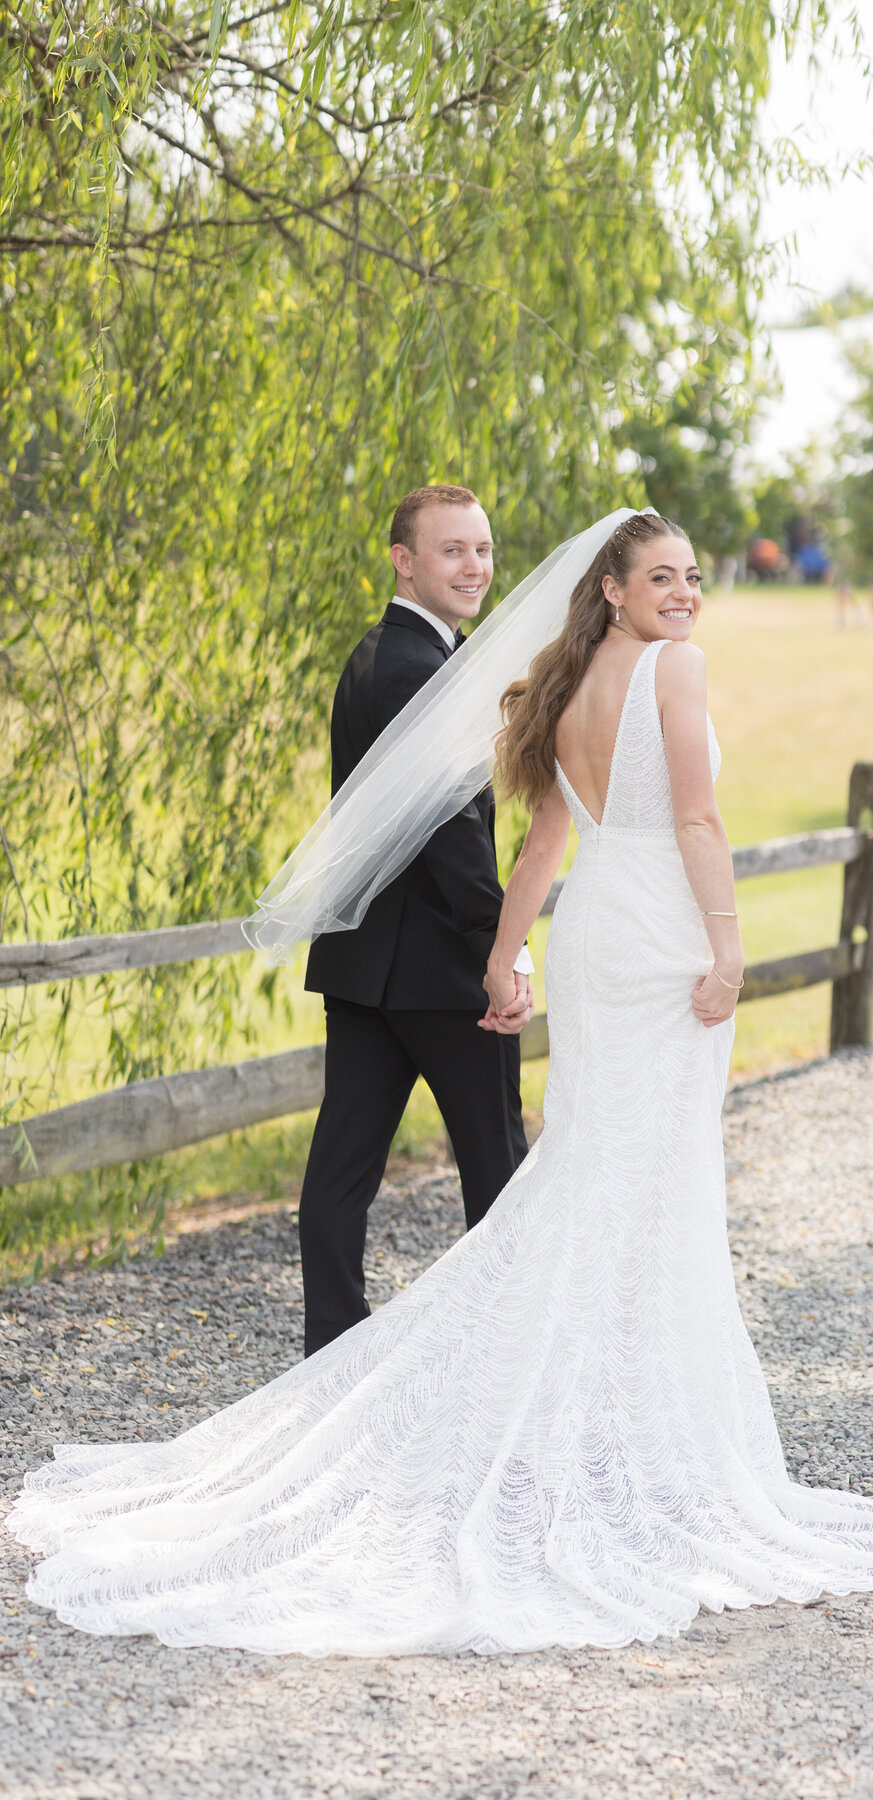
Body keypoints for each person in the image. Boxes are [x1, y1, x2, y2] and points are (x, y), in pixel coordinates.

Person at [8, 511, 873, 1657]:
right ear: (611, 588)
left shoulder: (567, 679)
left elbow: (551, 832)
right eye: (663, 576)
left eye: (695, 577)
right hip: (655, 935)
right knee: (644, 1174)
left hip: (601, 934)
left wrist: (511, 948)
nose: (687, 594)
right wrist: (730, 945)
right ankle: (616, 1429)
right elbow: (696, 816)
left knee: (589, 1166)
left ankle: (597, 1408)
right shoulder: (672, 668)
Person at [298, 484, 533, 1356]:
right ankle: (502, 1360)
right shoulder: (416, 668)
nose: (474, 567)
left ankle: (331, 1356)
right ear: (405, 560)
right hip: (443, 969)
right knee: (497, 1168)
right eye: (452, 551)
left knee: (343, 1169)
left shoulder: (379, 655)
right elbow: (451, 834)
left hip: (367, 966)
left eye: (482, 549)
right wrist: (502, 949)